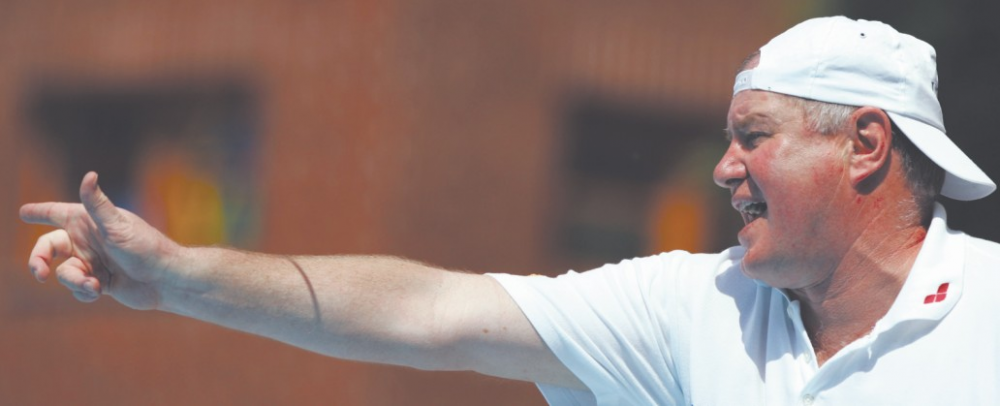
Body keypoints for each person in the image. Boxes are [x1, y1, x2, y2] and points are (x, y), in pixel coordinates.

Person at [19, 16, 1000, 405]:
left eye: (754, 135)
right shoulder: (693, 306)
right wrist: (180, 276)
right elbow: (428, 312)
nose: (722, 168)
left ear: (865, 145)